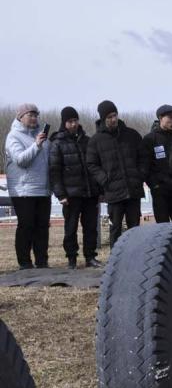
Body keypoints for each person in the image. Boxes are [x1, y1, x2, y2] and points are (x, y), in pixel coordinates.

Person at [86, 100, 147, 248]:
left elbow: (144, 157)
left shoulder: (132, 135)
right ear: (103, 119)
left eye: (115, 115)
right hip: (113, 191)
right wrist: (105, 179)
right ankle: (116, 257)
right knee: (115, 228)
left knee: (134, 228)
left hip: (133, 189)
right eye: (109, 117)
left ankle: (134, 255)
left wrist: (140, 175)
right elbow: (91, 164)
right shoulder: (96, 140)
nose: (113, 119)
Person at [49, 106, 102, 269]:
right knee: (71, 228)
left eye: (75, 120)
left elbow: (95, 165)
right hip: (70, 194)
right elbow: (54, 171)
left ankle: (90, 257)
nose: (73, 124)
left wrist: (99, 190)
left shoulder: (87, 141)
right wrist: (60, 194)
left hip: (90, 192)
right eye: (70, 121)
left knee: (91, 227)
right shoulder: (57, 143)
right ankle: (71, 258)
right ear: (64, 123)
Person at [5, 103, 51, 269]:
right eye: (30, 115)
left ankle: (42, 262)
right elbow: (21, 160)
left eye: (35, 115)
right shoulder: (13, 136)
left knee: (42, 227)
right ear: (20, 117)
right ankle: (24, 263)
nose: (34, 118)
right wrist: (36, 145)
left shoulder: (43, 137)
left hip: (43, 189)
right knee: (26, 226)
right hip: (23, 190)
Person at [141, 104, 172, 223]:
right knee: (163, 227)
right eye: (170, 117)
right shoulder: (150, 139)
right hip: (160, 191)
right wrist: (154, 185)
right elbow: (145, 165)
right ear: (161, 118)